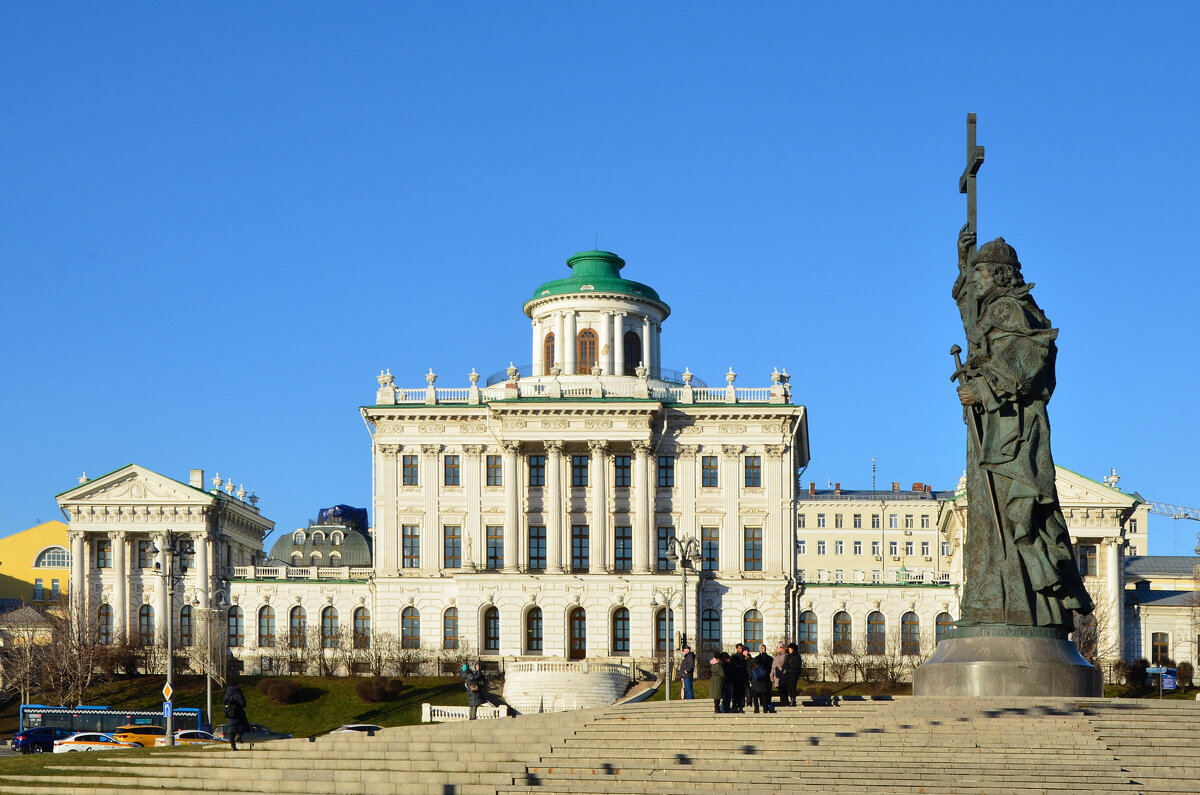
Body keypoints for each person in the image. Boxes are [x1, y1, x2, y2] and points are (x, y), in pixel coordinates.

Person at [952, 226, 1094, 631]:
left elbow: (1033, 355)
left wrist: (984, 385)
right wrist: (964, 267)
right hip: (994, 424)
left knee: (1014, 516)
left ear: (997, 275)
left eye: (980, 274)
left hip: (1012, 430)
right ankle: (995, 605)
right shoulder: (997, 309)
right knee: (990, 519)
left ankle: (1019, 608)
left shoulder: (1012, 309)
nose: (976, 283)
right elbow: (977, 333)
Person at [222, 681, 250, 751]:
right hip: (238, 713)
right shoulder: (238, 691)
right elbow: (242, 703)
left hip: (229, 714)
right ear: (236, 685)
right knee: (244, 726)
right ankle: (239, 736)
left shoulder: (226, 693)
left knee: (232, 730)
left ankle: (233, 746)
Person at [726, 644, 747, 713]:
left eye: (742, 648)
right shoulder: (734, 657)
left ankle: (741, 706)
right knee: (735, 692)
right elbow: (731, 667)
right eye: (740, 648)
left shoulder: (744, 657)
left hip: (742, 678)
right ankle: (735, 706)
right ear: (737, 649)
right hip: (735, 678)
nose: (741, 650)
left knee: (742, 693)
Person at [781, 643, 802, 707]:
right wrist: (784, 669)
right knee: (788, 687)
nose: (789, 650)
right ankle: (791, 699)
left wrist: (789, 668)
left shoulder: (797, 656)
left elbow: (797, 665)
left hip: (794, 673)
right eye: (789, 649)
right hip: (788, 674)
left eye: (791, 649)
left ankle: (793, 700)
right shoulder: (788, 656)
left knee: (792, 686)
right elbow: (785, 664)